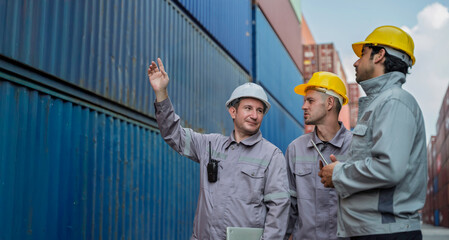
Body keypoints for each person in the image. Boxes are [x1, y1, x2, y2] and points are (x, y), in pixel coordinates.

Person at [147, 58, 290, 239]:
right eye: (248, 108)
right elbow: (173, 134)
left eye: (260, 110)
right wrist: (161, 93)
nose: (254, 115)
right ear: (233, 111)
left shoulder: (271, 156)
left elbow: (279, 209)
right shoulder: (210, 145)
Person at [318, 25, 427, 239]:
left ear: (379, 55)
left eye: (362, 54)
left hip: (385, 232)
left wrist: (339, 173)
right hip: (374, 231)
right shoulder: (382, 103)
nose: (356, 62)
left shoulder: (394, 101)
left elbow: (388, 168)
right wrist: (340, 166)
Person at [285, 72, 352, 240]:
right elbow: (288, 206)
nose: (304, 106)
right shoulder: (295, 149)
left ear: (329, 103)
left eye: (310, 100)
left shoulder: (356, 147)